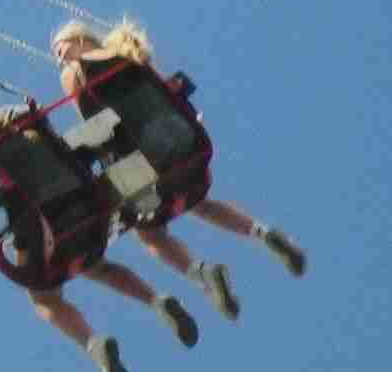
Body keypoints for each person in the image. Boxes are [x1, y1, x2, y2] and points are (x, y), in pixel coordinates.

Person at [0, 88, 185, 372]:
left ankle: (93, 343)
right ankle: (158, 300)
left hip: (46, 227)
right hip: (87, 205)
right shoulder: (21, 111)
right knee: (96, 264)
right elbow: (60, 148)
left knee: (42, 296)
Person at [55, 17, 307, 299]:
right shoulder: (126, 51)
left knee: (149, 229)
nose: (58, 57)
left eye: (59, 48)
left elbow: (94, 127)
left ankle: (201, 272)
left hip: (138, 159)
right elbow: (167, 90)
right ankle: (264, 232)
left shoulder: (73, 72)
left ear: (78, 40)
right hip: (178, 141)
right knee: (199, 203)